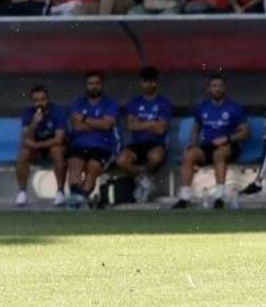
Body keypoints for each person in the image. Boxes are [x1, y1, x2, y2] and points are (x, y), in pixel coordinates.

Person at [174, 74, 248, 209]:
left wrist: (227, 138)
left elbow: (245, 132)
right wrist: (192, 143)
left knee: (218, 154)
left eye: (220, 86)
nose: (217, 89)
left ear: (224, 88)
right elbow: (196, 128)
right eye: (214, 86)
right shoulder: (202, 107)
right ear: (208, 89)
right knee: (189, 155)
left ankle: (219, 197)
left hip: (228, 146)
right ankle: (185, 197)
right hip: (207, 146)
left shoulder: (234, 107)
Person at [117, 66, 172, 205]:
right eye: (145, 81)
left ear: (156, 83)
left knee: (156, 157)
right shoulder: (134, 102)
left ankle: (143, 181)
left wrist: (140, 123)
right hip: (138, 144)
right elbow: (130, 126)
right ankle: (144, 181)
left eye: (151, 81)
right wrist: (152, 123)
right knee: (121, 160)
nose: (149, 85)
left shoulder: (164, 103)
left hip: (156, 143)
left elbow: (160, 130)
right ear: (141, 83)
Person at [66, 72, 121, 207]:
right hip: (79, 144)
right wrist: (98, 123)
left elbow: (107, 125)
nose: (94, 86)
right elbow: (78, 126)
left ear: (102, 85)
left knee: (93, 166)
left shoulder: (110, 103)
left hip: (103, 146)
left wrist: (84, 119)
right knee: (75, 164)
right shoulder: (77, 103)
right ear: (86, 85)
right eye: (91, 83)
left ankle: (81, 197)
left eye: (97, 83)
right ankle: (77, 196)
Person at [14, 85, 68, 207]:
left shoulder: (58, 112)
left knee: (56, 150)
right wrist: (33, 124)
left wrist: (36, 145)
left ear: (48, 99)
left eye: (42, 99)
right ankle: (22, 192)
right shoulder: (29, 113)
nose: (39, 103)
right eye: (36, 100)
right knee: (23, 153)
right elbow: (24, 139)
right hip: (36, 150)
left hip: (51, 147)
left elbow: (58, 139)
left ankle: (60, 191)